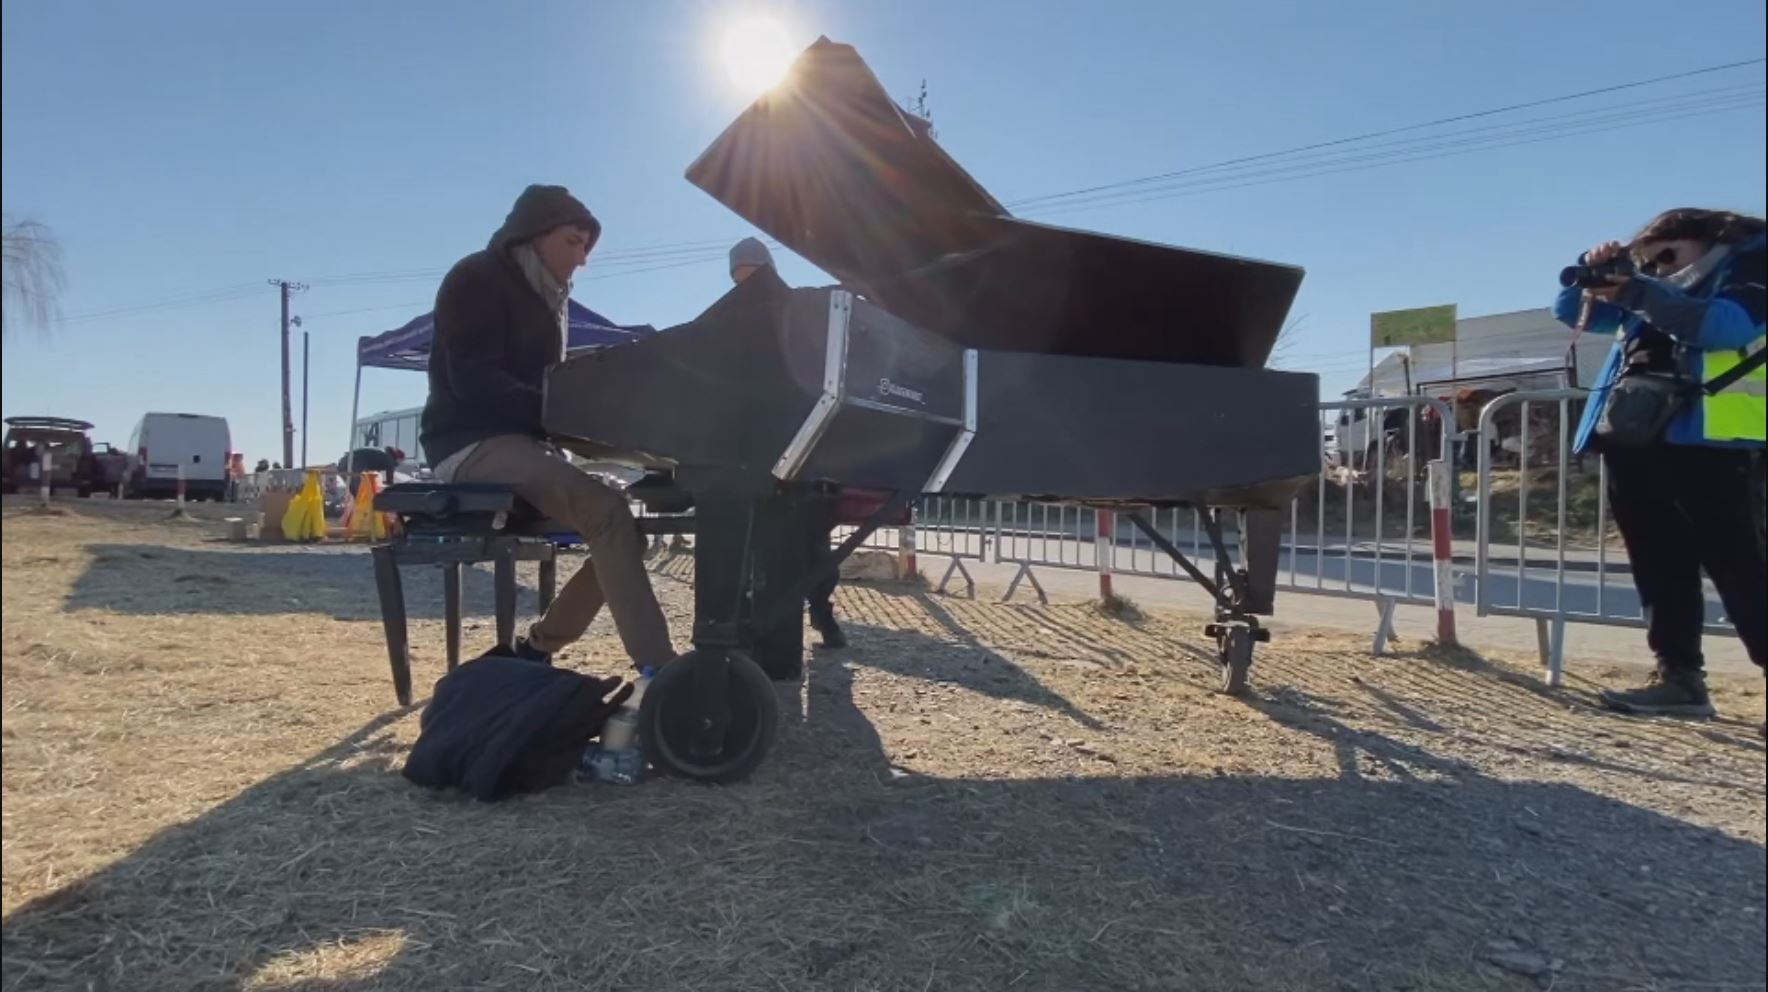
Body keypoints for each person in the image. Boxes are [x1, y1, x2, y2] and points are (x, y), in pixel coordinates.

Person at [419, 184, 679, 672]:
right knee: (605, 512)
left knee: (626, 529)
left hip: (521, 442)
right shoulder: (475, 277)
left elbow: (548, 391)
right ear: (533, 234)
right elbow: (474, 381)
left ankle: (537, 649)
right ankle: (661, 669)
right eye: (573, 242)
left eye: (587, 246)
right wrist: (563, 414)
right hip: (468, 441)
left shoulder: (547, 297)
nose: (582, 258)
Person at [1551, 208, 1766, 723]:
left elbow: (1722, 328)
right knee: (1660, 566)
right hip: (1638, 439)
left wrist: (1637, 289)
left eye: (1666, 255)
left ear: (1710, 239)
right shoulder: (1651, 291)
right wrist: (1594, 269)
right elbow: (1572, 312)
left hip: (1716, 441)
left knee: (1742, 568)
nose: (1657, 269)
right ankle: (1680, 679)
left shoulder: (1750, 265)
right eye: (1647, 262)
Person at [729, 236, 848, 649]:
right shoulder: (730, 323)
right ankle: (756, 624)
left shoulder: (800, 308)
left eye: (755, 277)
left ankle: (821, 612)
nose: (748, 288)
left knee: (816, 547)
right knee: (756, 547)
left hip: (807, 450)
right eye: (740, 281)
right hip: (757, 455)